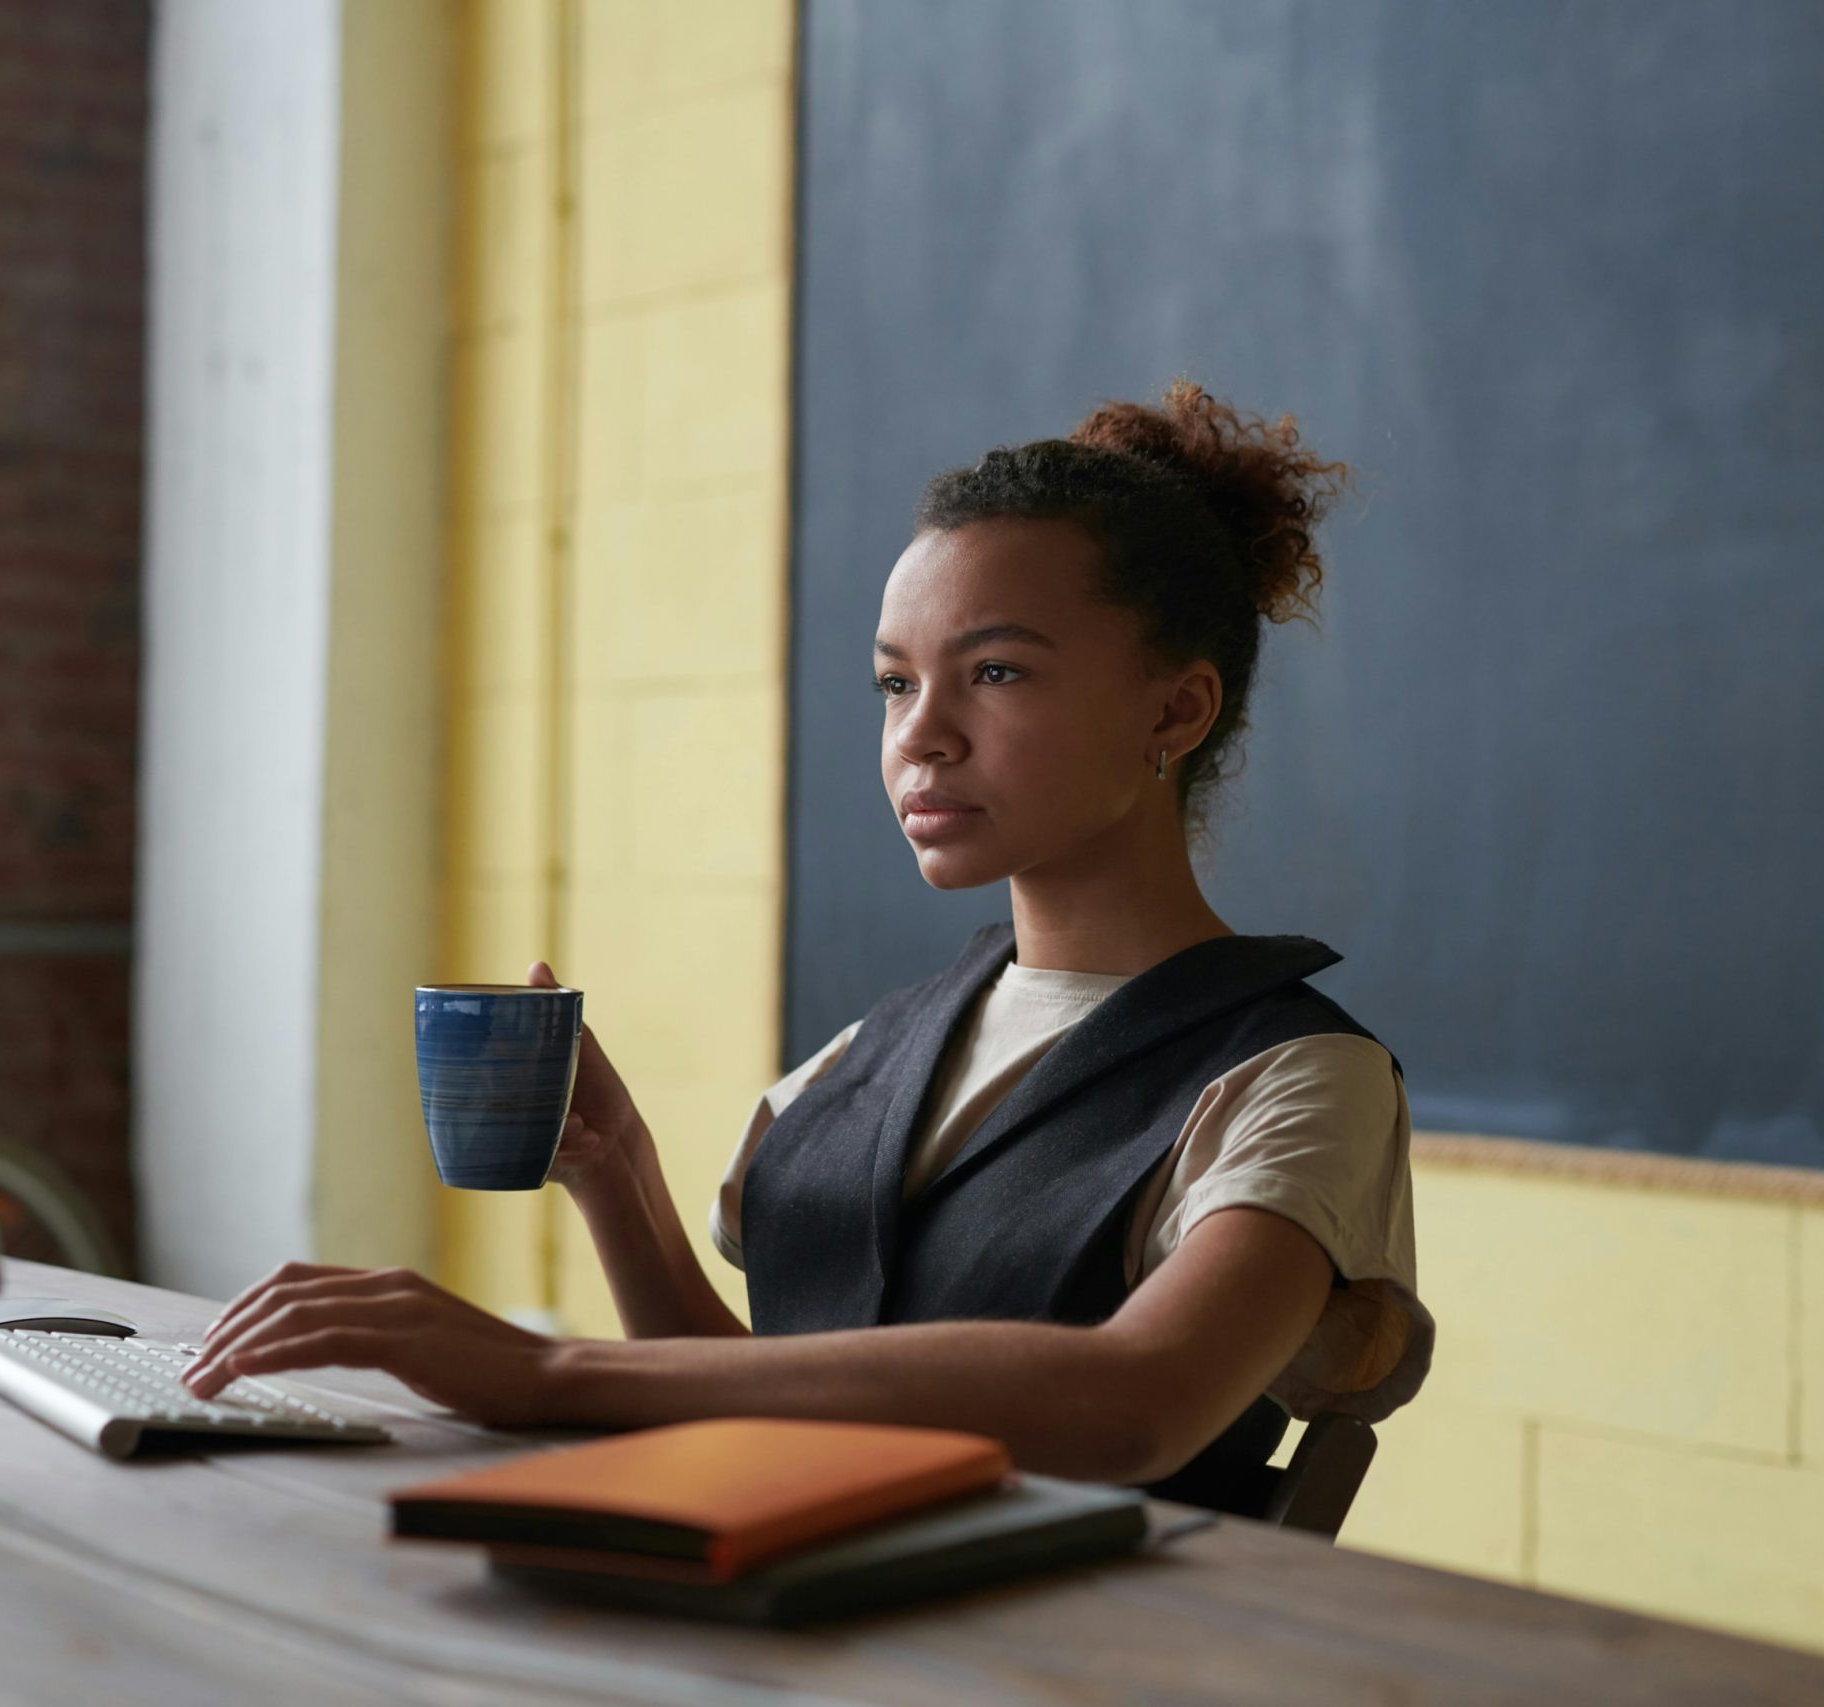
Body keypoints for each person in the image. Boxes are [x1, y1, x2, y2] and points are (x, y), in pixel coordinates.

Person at [186, 380, 1434, 1516]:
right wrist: (621, 1183)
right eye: (895, 684)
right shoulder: (880, 1043)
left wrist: (541, 1370)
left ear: (1178, 707)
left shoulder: (1298, 1077)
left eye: (993, 672)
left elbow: (1136, 1402)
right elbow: (760, 1395)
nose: (921, 738)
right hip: (788, 1612)